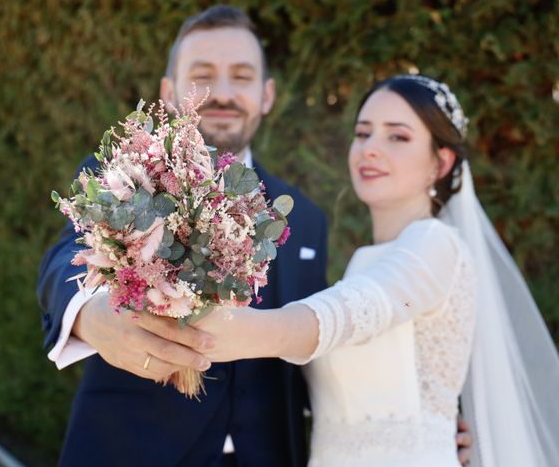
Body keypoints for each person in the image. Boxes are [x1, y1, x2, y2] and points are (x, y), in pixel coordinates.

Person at [38, 6, 472, 466]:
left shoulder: (304, 217)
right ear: (169, 93)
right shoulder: (125, 176)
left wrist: (426, 426)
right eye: (203, 75)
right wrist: (88, 314)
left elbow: (322, 349)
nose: (222, 93)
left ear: (267, 95)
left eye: (241, 77)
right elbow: (66, 258)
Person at [194, 74, 559, 466]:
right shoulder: (361, 264)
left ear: (441, 161)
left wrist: (225, 329)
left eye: (397, 137)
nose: (370, 149)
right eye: (363, 133)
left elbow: (349, 314)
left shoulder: (437, 244)